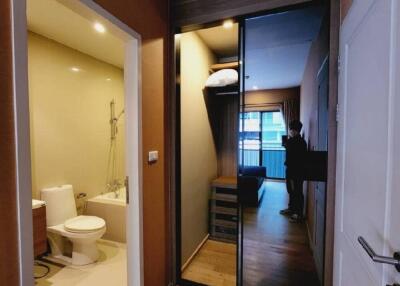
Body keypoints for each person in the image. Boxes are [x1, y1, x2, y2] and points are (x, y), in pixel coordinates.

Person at [280, 120, 307, 223]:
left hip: (296, 171)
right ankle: (291, 208)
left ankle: (298, 214)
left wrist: (287, 144)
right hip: (291, 170)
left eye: (291, 129)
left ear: (296, 131)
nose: (290, 131)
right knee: (291, 190)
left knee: (297, 192)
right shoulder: (293, 141)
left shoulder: (299, 142)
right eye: (290, 129)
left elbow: (298, 157)